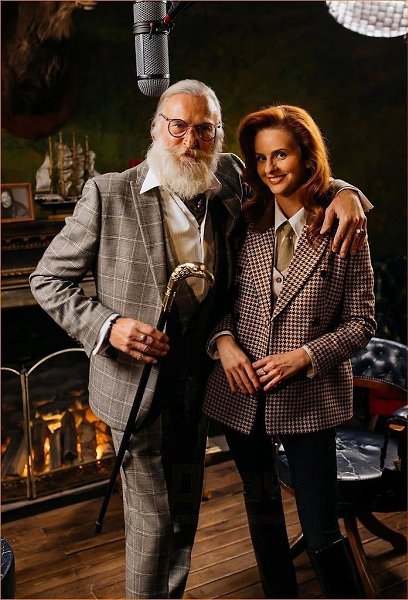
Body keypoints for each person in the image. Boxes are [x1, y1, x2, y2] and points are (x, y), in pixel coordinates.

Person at [30, 81, 371, 599]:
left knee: (183, 518)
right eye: (178, 126)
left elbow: (301, 168)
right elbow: (47, 280)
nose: (191, 141)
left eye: (204, 129)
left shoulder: (231, 179)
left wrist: (348, 192)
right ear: (156, 128)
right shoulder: (107, 194)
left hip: (198, 391)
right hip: (135, 391)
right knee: (154, 523)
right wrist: (108, 326)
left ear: (217, 135)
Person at [203, 104, 376, 599]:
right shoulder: (243, 223)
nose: (270, 168)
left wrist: (306, 357)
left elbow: (362, 322)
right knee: (262, 516)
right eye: (260, 159)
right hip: (241, 395)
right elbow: (215, 304)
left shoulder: (344, 225)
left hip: (310, 398)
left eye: (280, 155)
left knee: (321, 529)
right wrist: (223, 342)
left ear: (306, 157)